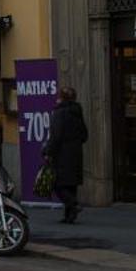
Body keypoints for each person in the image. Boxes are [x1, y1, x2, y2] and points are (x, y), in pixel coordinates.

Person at [41, 86, 88, 225]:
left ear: (61, 97)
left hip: (62, 154)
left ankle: (73, 205)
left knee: (57, 183)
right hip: (76, 153)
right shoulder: (77, 112)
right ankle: (69, 215)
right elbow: (85, 135)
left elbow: (56, 136)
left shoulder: (59, 113)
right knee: (71, 184)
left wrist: (47, 151)